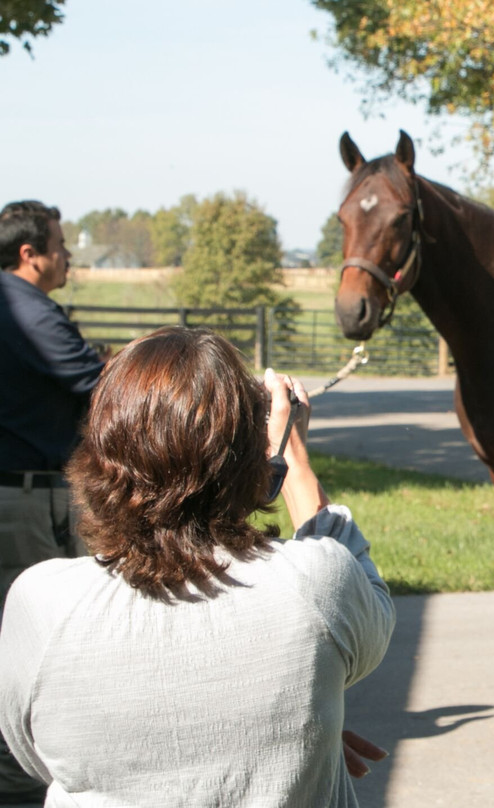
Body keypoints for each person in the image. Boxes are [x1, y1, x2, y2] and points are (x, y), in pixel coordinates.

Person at [0, 326, 395, 806]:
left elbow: (41, 753)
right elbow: (365, 606)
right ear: (249, 458)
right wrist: (290, 450)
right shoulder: (313, 585)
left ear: (101, 447)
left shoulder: (42, 603)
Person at [0, 200, 105, 803]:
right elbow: (93, 385)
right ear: (29, 253)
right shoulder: (28, 312)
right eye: (60, 246)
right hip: (29, 499)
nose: (67, 256)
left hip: (17, 491)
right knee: (41, 645)